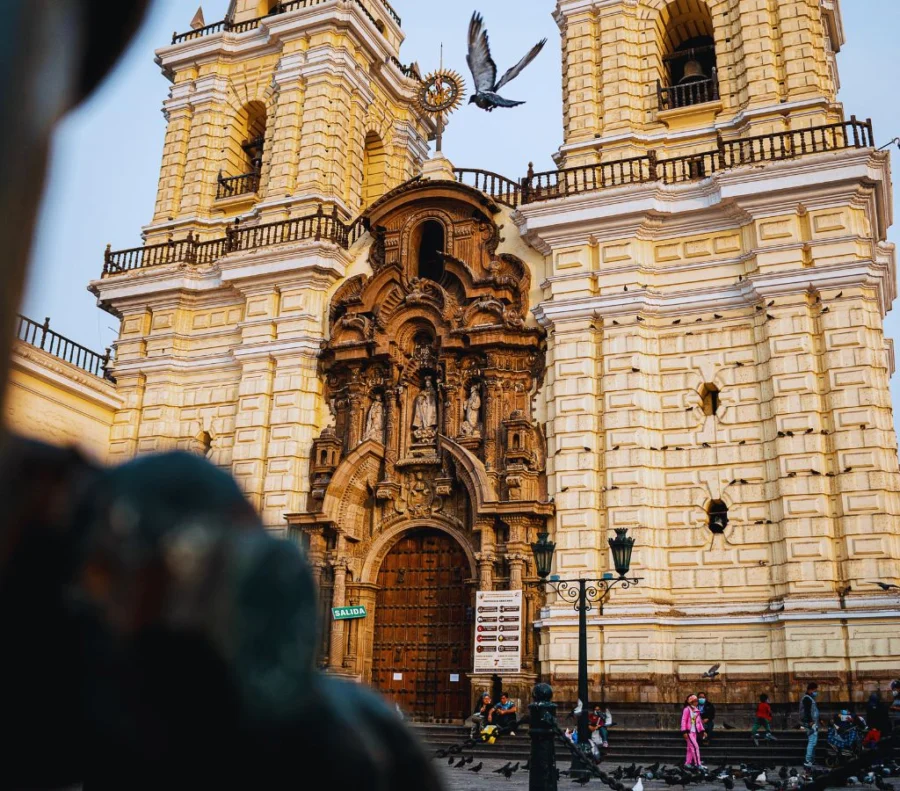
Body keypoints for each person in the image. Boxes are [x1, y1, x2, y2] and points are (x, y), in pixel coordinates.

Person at [681, 694, 707, 770]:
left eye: (697, 701)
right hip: (689, 732)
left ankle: (687, 763)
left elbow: (698, 722)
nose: (697, 702)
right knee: (695, 747)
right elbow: (683, 720)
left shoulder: (696, 710)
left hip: (694, 732)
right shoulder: (687, 709)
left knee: (690, 748)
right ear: (691, 702)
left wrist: (702, 731)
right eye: (695, 701)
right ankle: (698, 764)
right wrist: (684, 731)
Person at [800, 682, 821, 769]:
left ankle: (811, 760)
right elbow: (807, 712)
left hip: (813, 723)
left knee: (814, 742)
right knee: (812, 741)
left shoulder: (809, 698)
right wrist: (810, 722)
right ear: (811, 689)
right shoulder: (807, 699)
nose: (816, 692)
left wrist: (819, 720)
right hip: (810, 723)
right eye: (815, 690)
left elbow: (813, 711)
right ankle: (807, 760)